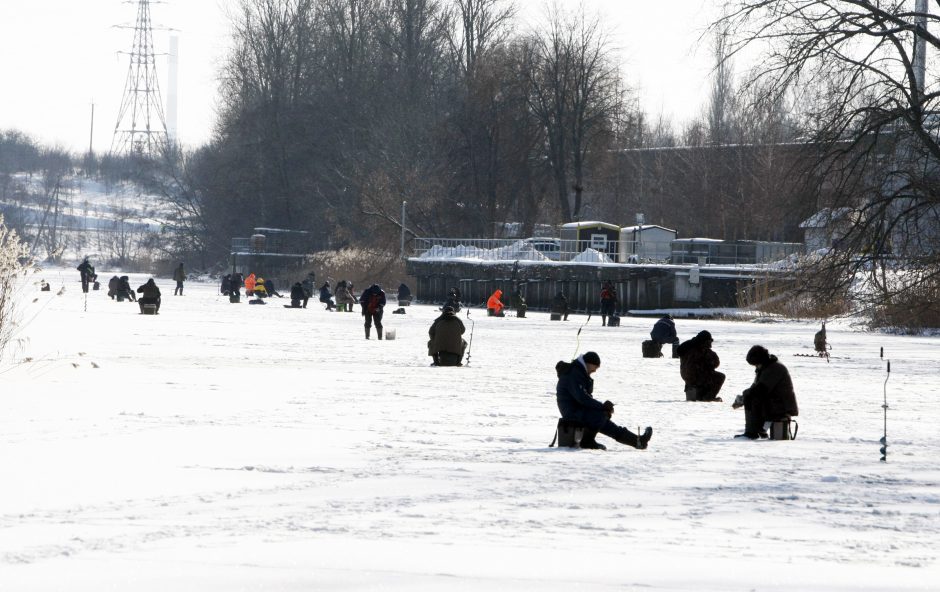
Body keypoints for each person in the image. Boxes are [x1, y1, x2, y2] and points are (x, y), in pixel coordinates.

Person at [555, 351, 653, 450]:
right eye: (595, 368)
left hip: (579, 409)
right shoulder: (574, 374)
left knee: (606, 422)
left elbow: (585, 398)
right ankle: (586, 442)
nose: (595, 371)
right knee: (600, 415)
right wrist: (602, 407)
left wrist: (602, 408)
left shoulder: (579, 371)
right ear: (589, 363)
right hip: (572, 412)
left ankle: (639, 442)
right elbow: (582, 398)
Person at [733, 346, 800, 439]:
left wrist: (745, 396)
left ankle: (752, 432)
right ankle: (759, 430)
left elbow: (761, 390)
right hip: (775, 402)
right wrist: (742, 398)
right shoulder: (767, 367)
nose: (756, 366)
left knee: (751, 398)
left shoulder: (774, 368)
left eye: (756, 364)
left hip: (782, 406)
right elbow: (756, 387)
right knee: (750, 396)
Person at [676, 330, 725, 402]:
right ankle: (708, 397)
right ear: (705, 341)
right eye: (709, 342)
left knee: (706, 373)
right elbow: (716, 363)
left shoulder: (687, 346)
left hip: (687, 378)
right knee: (720, 376)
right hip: (696, 377)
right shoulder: (702, 349)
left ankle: (696, 393)